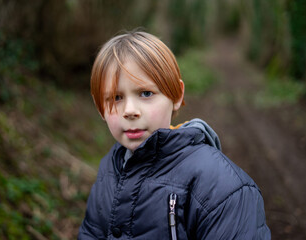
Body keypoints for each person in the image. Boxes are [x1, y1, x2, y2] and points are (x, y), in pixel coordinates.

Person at [78, 31, 271, 239]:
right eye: (115, 98)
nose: (130, 110)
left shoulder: (225, 189)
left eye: (146, 93)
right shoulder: (111, 168)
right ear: (100, 108)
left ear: (177, 95)